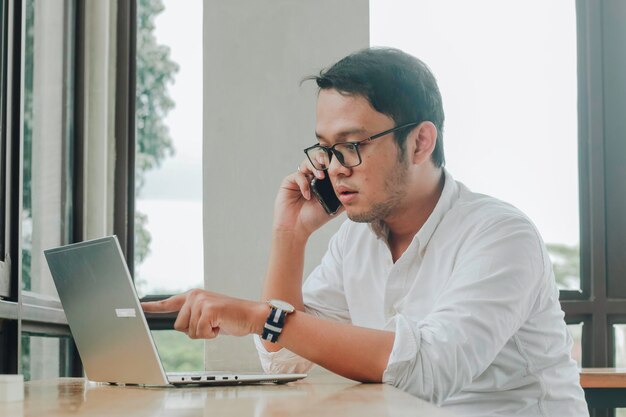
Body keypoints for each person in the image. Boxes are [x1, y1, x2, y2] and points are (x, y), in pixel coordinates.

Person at [142, 47, 588, 416]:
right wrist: (290, 235)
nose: (334, 169)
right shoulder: (356, 239)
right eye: (326, 149)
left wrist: (261, 316)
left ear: (419, 142)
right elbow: (285, 356)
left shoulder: (501, 236)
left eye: (351, 146)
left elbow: (427, 373)